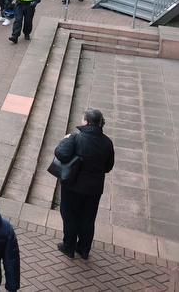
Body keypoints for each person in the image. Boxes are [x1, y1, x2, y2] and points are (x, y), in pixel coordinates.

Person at [54, 108, 115, 259]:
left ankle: (68, 246)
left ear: (87, 122)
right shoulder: (107, 143)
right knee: (87, 219)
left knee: (70, 216)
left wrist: (65, 140)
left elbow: (60, 154)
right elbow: (108, 167)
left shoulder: (75, 138)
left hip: (73, 186)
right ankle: (83, 249)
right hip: (94, 189)